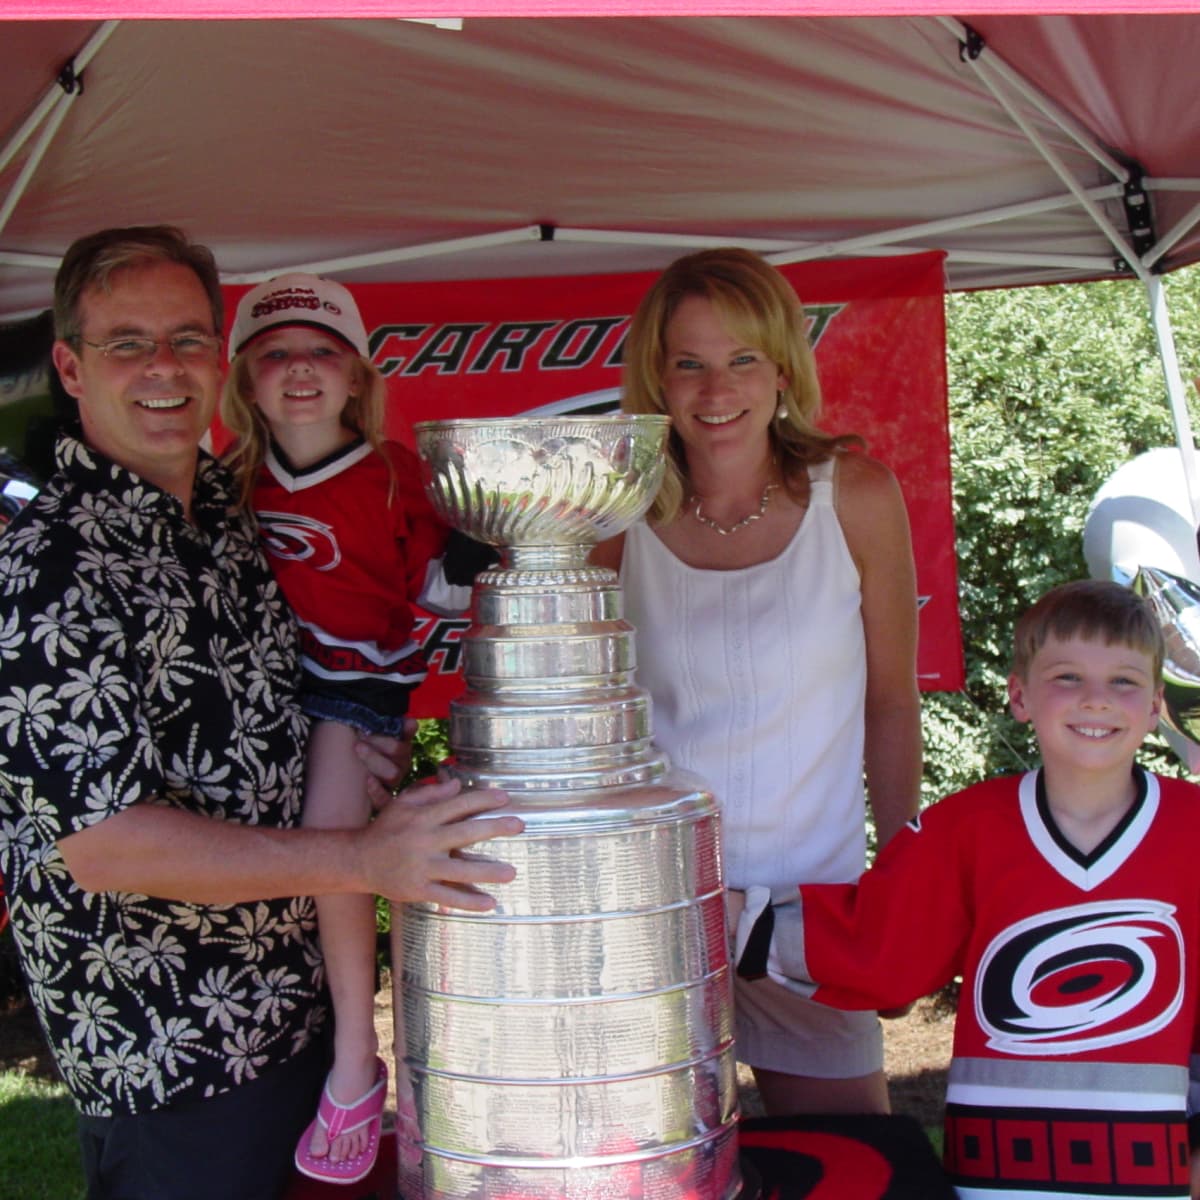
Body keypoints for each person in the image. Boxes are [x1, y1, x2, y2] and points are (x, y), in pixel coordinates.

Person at [0, 225, 522, 1200]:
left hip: (303, 1031)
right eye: (127, 343)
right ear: (69, 365)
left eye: (188, 338)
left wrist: (366, 748)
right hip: (180, 1062)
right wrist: (364, 861)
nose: (163, 368)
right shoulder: (45, 566)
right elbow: (104, 842)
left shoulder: (228, 506)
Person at [731, 579, 1200, 1200]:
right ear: (1019, 696)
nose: (1096, 700)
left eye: (1123, 681)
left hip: (1149, 1175)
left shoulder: (1192, 830)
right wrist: (721, 915)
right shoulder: (968, 827)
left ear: (1154, 705)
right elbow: (877, 942)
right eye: (1066, 677)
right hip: (994, 1176)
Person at [592, 247, 921, 1116]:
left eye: (742, 359)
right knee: (660, 1167)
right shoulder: (615, 519)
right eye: (688, 363)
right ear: (656, 379)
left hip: (812, 909)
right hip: (653, 910)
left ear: (782, 367)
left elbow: (891, 701)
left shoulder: (856, 495)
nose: (716, 389)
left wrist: (904, 873)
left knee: (851, 1160)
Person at [220, 273, 480, 1183]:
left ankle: (355, 1061)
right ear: (245, 381)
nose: (300, 370)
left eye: (323, 352)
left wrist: (476, 556)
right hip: (264, 702)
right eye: (276, 355)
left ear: (358, 377)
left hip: (356, 690)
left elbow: (432, 591)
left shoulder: (395, 472)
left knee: (335, 841)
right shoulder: (229, 485)